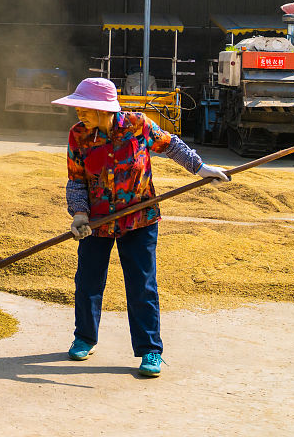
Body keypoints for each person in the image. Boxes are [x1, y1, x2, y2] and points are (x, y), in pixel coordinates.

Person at [51, 77, 229, 378]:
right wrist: (79, 215)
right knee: (88, 281)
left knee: (142, 285)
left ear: (104, 109)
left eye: (84, 107)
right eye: (78, 107)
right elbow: (76, 179)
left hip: (139, 219)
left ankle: (150, 350)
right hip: (96, 223)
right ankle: (85, 337)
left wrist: (201, 169)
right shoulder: (78, 135)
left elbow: (172, 146)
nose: (79, 112)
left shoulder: (138, 125)